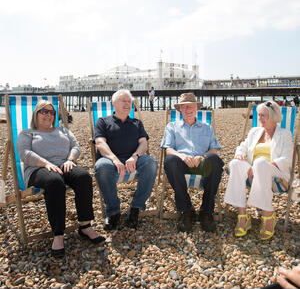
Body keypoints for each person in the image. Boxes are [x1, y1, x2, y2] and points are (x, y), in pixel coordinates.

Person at [17, 100, 104, 258]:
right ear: (36, 114)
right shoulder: (27, 133)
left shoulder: (63, 130)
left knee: (84, 177)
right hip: (38, 169)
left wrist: (70, 159)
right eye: (44, 111)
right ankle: (58, 234)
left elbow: (76, 146)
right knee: (55, 182)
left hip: (65, 165)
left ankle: (85, 225)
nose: (48, 115)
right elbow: (25, 154)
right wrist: (46, 163)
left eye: (51, 112)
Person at [224, 100, 293, 240]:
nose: (259, 119)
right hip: (254, 169)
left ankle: (268, 215)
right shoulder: (255, 131)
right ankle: (243, 216)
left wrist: (261, 165)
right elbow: (242, 146)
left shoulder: (284, 134)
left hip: (276, 171)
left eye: (263, 116)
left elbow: (287, 159)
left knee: (260, 163)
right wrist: (240, 154)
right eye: (259, 115)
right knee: (236, 164)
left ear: (273, 116)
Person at [94, 89, 158, 230]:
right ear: (114, 104)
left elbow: (143, 143)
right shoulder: (103, 122)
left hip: (133, 160)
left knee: (151, 163)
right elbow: (100, 143)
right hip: (110, 161)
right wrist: (114, 159)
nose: (127, 104)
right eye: (123, 101)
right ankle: (113, 212)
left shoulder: (136, 123)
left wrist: (134, 156)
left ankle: (135, 208)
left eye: (129, 101)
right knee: (102, 168)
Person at [160, 92, 224, 232]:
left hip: (201, 163)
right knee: (170, 160)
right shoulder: (172, 126)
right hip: (181, 164)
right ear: (180, 110)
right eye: (184, 107)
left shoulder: (207, 127)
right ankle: (186, 210)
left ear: (197, 108)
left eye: (191, 106)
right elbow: (168, 149)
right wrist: (182, 157)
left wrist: (202, 157)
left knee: (215, 160)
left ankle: (206, 211)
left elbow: (214, 149)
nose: (188, 109)